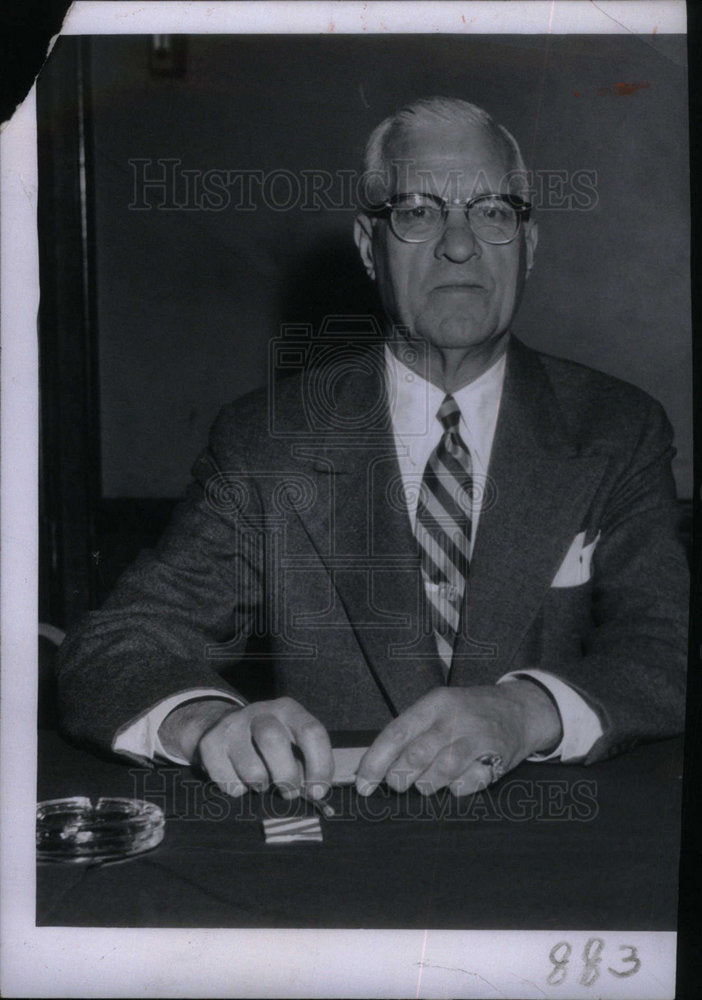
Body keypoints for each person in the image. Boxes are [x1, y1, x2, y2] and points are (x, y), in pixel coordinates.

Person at [56, 96, 688, 805]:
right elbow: (116, 648)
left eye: (492, 211)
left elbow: (668, 643)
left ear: (528, 246)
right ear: (368, 247)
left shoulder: (617, 429)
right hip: (344, 858)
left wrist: (526, 711)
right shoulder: (266, 442)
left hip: (551, 854)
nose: (458, 243)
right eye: (418, 211)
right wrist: (207, 725)